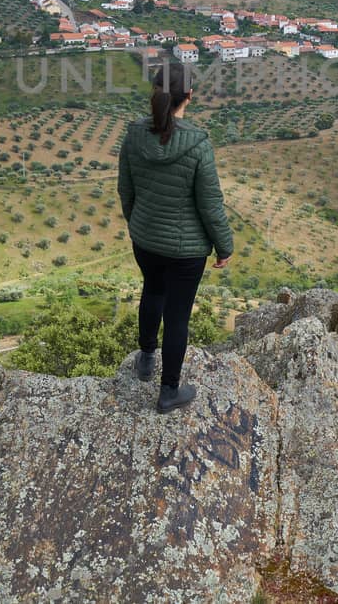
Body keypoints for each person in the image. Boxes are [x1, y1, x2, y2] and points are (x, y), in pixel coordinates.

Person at [117, 62, 233, 413]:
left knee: (152, 291)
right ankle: (169, 392)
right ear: (190, 96)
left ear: (155, 91)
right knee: (178, 315)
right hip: (186, 252)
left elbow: (126, 189)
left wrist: (138, 223)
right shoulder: (197, 144)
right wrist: (224, 245)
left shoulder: (134, 134)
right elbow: (210, 204)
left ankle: (146, 358)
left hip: (146, 239)